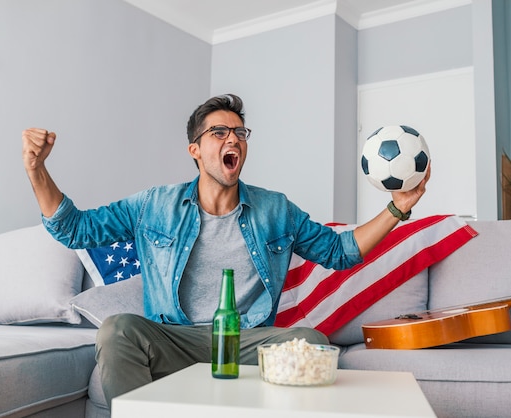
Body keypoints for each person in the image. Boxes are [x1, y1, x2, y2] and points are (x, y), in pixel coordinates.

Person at [21, 94, 429, 407]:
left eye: (239, 133)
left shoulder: (276, 209)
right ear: (195, 150)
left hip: (246, 342)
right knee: (118, 330)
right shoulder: (153, 205)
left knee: (310, 338)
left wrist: (397, 208)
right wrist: (37, 170)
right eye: (219, 132)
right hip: (175, 340)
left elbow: (340, 251)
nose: (232, 138)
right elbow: (76, 229)